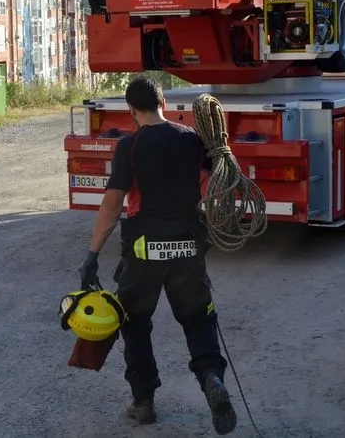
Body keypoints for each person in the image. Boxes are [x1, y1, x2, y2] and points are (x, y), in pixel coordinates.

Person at [78, 76, 237, 435]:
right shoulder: (194, 140)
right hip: (187, 245)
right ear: (164, 101)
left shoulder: (129, 147)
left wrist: (92, 254)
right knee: (198, 319)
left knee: (135, 325)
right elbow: (220, 178)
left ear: (131, 110)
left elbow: (112, 204)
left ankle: (144, 402)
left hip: (143, 249)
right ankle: (212, 378)